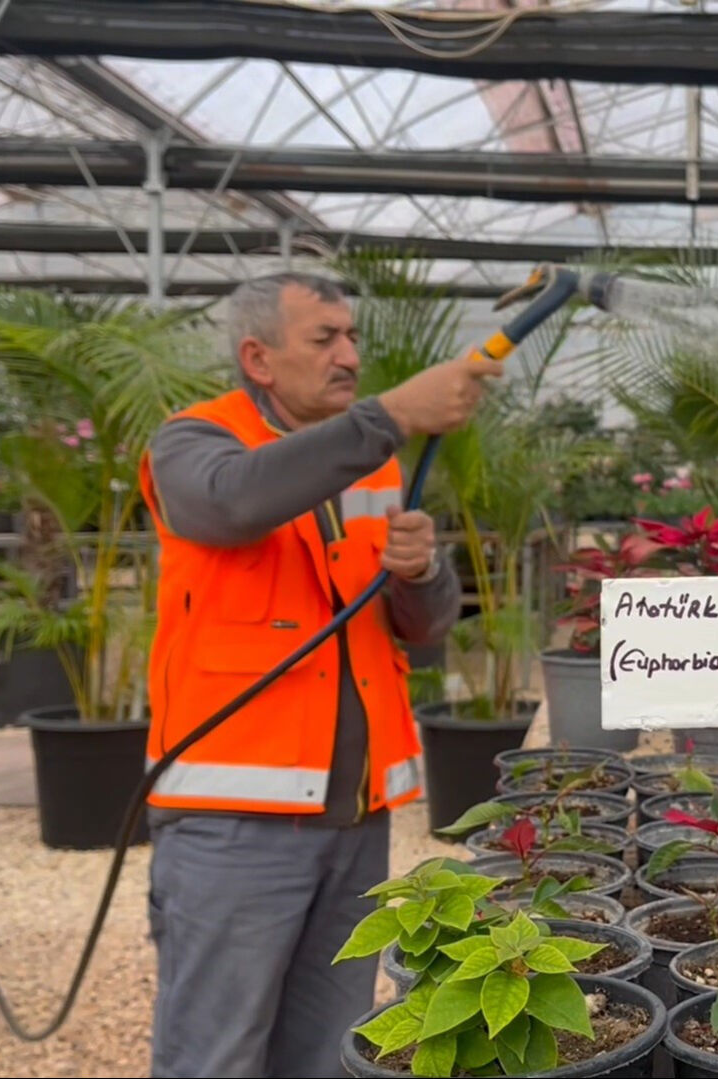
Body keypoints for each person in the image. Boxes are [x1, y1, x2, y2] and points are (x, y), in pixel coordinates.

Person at [137, 273, 498, 1077]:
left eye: (352, 336)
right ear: (257, 359)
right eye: (324, 338)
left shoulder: (367, 464)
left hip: (353, 816)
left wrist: (421, 571)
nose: (349, 355)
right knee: (215, 1052)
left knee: (331, 1048)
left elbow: (423, 628)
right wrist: (395, 413)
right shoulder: (195, 443)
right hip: (232, 820)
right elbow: (229, 506)